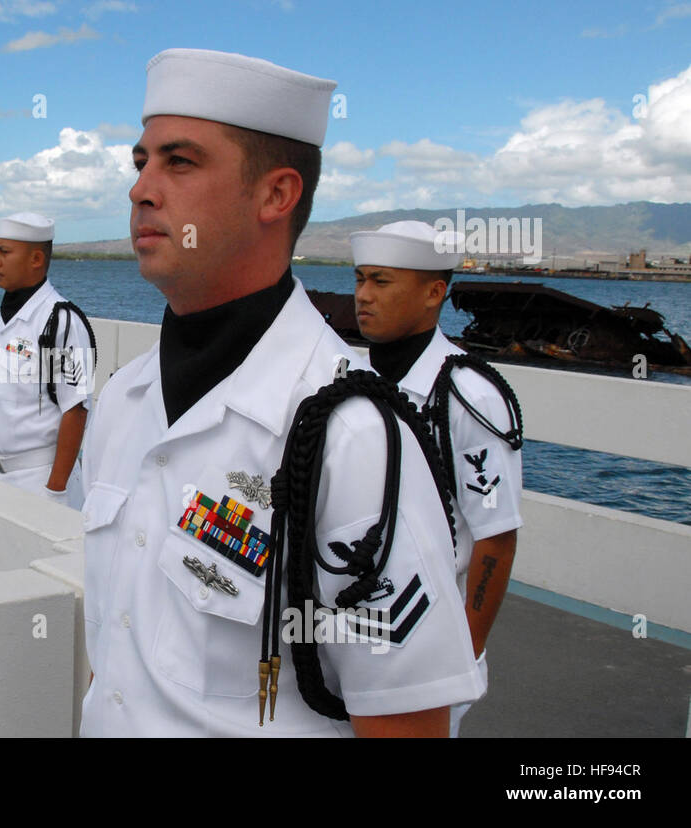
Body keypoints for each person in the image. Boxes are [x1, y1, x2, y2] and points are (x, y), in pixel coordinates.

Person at [80, 48, 484, 737]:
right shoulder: (122, 400)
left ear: (277, 195)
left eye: (179, 162)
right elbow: (117, 660)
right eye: (140, 161)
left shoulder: (351, 436)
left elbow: (406, 722)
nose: (141, 188)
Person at [350, 219, 524, 736]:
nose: (363, 295)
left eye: (381, 282)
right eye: (359, 279)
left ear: (433, 293)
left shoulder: (468, 394)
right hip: (350, 628)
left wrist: (462, 652)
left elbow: (497, 538)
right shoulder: (352, 379)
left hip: (427, 636)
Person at [0, 212, 94, 509]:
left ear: (36, 259)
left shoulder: (60, 322)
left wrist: (55, 491)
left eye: (4, 252)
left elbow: (76, 409)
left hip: (38, 483)